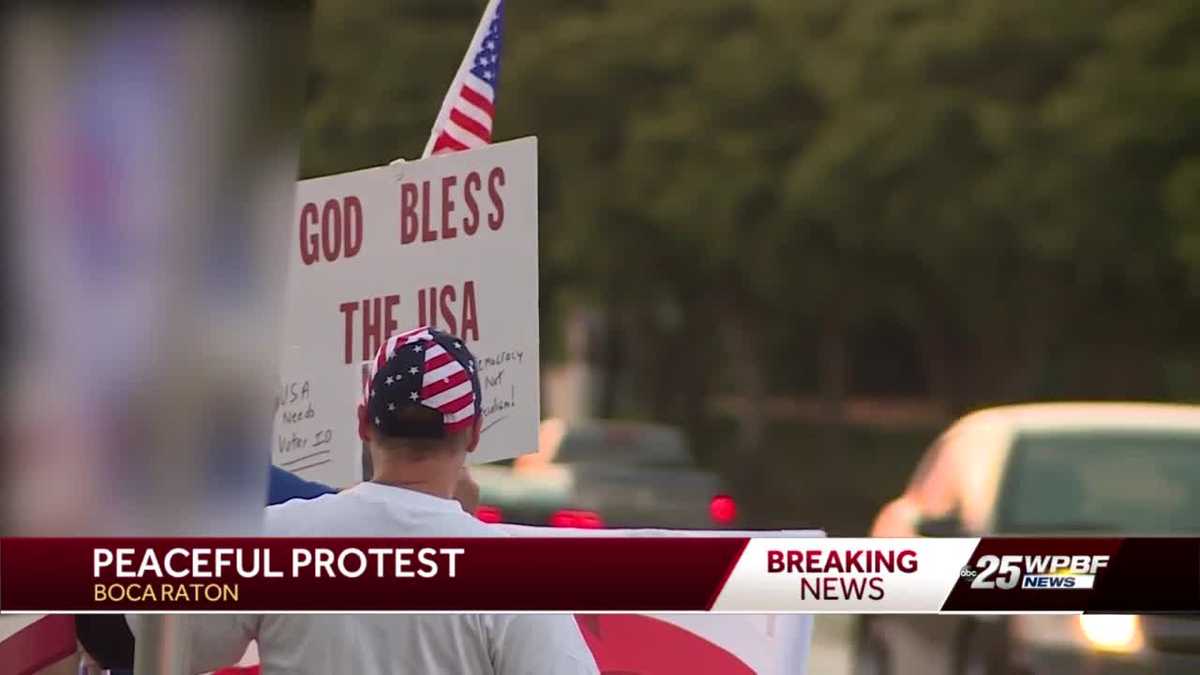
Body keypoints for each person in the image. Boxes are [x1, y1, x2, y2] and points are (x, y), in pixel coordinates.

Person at [129, 327, 598, 674]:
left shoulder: (275, 540)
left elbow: (164, 642)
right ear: (474, 435)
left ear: (363, 423)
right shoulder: (512, 574)